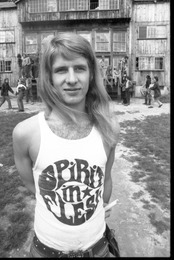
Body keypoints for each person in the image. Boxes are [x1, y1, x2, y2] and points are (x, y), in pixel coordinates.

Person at [12, 33, 120, 258]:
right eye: (61, 70)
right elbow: (33, 184)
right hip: (46, 252)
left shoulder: (108, 129)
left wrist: (101, 204)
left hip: (99, 249)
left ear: (91, 75)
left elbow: (105, 178)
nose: (72, 79)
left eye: (79, 68)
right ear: (49, 77)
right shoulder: (26, 133)